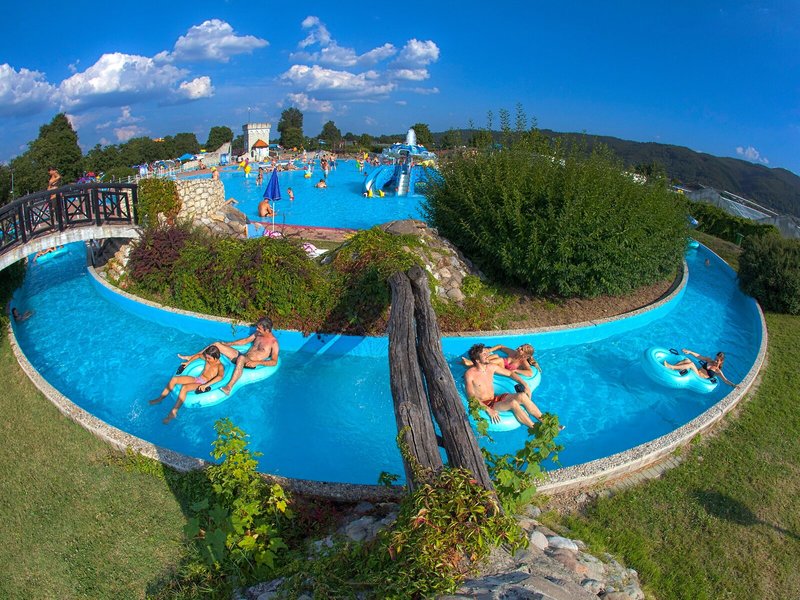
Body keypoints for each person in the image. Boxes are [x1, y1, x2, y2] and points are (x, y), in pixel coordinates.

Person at [463, 343, 546, 428]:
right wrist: (488, 410)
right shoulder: (470, 374)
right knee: (513, 403)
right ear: (477, 360)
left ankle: (545, 422)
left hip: (495, 399)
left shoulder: (491, 367)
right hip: (486, 403)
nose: (487, 355)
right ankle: (535, 428)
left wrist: (525, 385)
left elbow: (510, 373)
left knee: (522, 396)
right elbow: (471, 396)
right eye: (484, 354)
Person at [150, 345, 225, 423]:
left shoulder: (219, 366)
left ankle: (174, 412)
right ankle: (160, 399)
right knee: (174, 379)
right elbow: (198, 355)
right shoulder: (207, 359)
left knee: (185, 388)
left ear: (216, 358)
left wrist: (205, 385)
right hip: (198, 378)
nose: (206, 359)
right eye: (206, 357)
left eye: (209, 358)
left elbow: (220, 377)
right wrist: (188, 363)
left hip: (204, 383)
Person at [211, 317, 279, 395]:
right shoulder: (258, 334)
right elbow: (245, 341)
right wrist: (228, 344)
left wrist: (257, 363)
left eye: (259, 328)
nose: (256, 329)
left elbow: (274, 362)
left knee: (241, 358)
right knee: (217, 344)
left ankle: (229, 387)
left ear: (266, 330)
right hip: (243, 356)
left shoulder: (274, 343)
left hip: (250, 363)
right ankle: (198, 355)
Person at [663, 348, 738, 388]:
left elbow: (725, 380)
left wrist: (733, 385)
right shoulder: (709, 360)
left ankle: (671, 367)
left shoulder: (718, 371)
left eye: (717, 360)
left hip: (699, 378)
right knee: (686, 360)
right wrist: (690, 352)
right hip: (696, 372)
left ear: (721, 362)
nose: (715, 361)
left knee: (691, 364)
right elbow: (699, 356)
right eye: (715, 358)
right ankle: (672, 367)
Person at [461, 343, 540, 376]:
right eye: (521, 346)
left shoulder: (523, 362)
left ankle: (472, 363)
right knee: (496, 355)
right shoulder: (512, 352)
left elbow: (530, 373)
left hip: (504, 372)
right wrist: (490, 350)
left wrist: (516, 371)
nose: (519, 348)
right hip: (499, 366)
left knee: (500, 360)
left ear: (525, 355)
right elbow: (501, 346)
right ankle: (476, 362)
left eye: (522, 349)